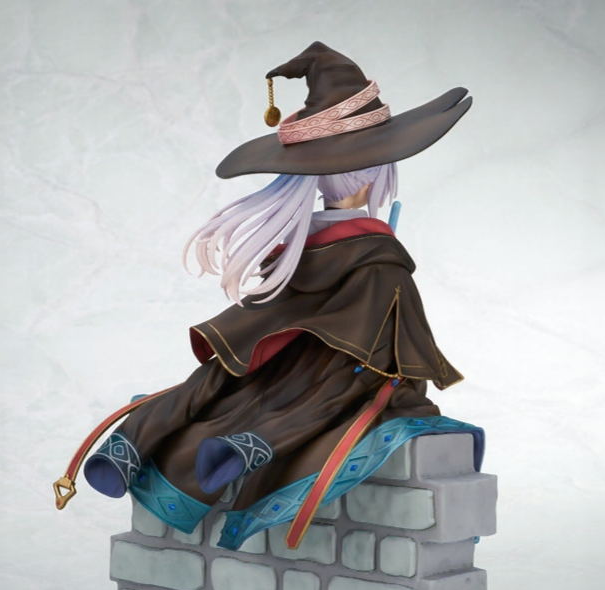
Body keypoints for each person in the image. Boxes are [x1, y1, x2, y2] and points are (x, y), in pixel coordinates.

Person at [56, 42, 484, 550]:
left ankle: (131, 443)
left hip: (278, 369)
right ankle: (252, 445)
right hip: (331, 377)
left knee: (220, 378)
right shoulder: (381, 266)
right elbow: (397, 353)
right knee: (343, 391)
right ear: (375, 173)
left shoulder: (301, 250)